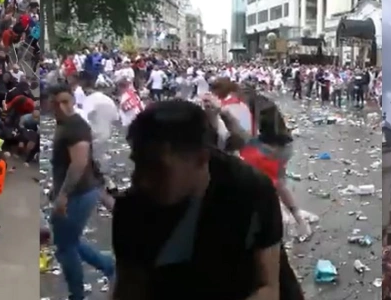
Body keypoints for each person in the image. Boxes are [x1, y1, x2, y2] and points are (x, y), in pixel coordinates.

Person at [112, 100, 303, 300]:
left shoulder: (248, 190)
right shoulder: (132, 209)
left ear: (202, 159)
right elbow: (129, 286)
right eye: (138, 163)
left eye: (156, 167)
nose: (142, 180)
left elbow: (268, 286)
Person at [48, 84, 113, 300]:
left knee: (65, 248)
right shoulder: (64, 124)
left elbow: (79, 163)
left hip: (77, 194)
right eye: (58, 102)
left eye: (66, 101)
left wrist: (63, 195)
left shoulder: (76, 126)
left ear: (73, 101)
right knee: (69, 241)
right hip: (77, 192)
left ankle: (77, 295)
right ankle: (108, 265)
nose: (63, 106)